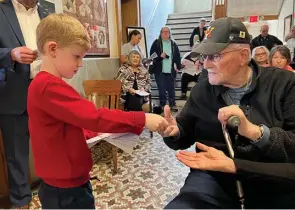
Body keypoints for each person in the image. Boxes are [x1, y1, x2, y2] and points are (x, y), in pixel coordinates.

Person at [28, 14, 168, 209]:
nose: (80, 64)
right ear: (52, 49)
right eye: (76, 56)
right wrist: (142, 118)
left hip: (69, 183)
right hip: (65, 191)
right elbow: (93, 116)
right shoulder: (48, 86)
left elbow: (67, 126)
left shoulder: (47, 84)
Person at [161, 17, 295, 209]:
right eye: (204, 57)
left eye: (214, 56)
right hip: (213, 178)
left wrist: (253, 132)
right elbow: (185, 133)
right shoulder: (201, 91)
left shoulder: (285, 84)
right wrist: (174, 132)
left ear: (243, 56)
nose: (206, 65)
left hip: (271, 180)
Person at [0, 0, 48, 208]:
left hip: (46, 90)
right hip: (12, 92)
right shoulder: (1, 11)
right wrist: (10, 54)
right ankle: (21, 202)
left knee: (50, 145)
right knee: (16, 154)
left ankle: (53, 191)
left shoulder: (48, 11)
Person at [149, 27, 181, 113]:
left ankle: (172, 104)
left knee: (171, 89)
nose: (166, 33)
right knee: (162, 89)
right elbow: (152, 56)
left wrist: (177, 66)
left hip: (170, 71)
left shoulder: (173, 44)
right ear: (161, 33)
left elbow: (177, 56)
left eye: (167, 32)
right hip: (160, 71)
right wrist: (160, 56)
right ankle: (163, 105)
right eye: (164, 32)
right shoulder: (156, 43)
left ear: (170, 33)